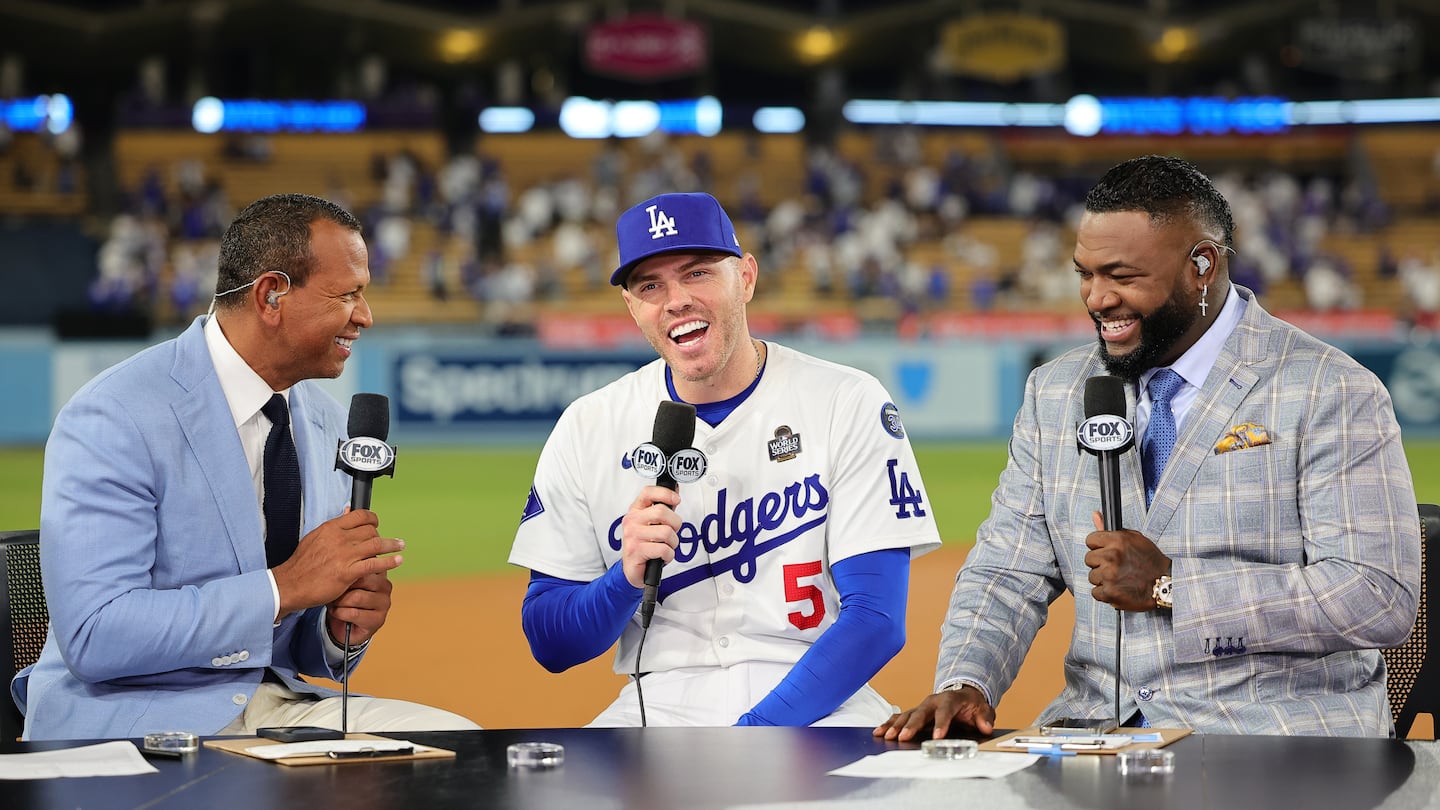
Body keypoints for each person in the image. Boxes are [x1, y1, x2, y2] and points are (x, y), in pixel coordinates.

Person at [876, 155, 1420, 741]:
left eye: (1123, 276)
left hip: (1276, 738)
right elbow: (1007, 571)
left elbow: (1376, 596)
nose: (1097, 298)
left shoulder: (1328, 388)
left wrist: (1172, 588)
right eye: (1085, 273)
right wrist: (968, 682)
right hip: (1094, 737)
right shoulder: (1056, 392)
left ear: (1202, 266)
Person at [16, 193, 480, 740]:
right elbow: (96, 635)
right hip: (131, 720)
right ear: (271, 294)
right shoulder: (115, 414)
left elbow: (288, 642)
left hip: (275, 710)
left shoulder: (326, 421)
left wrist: (335, 629)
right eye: (349, 294)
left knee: (463, 750)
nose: (366, 316)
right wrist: (283, 587)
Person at [509, 192, 941, 726]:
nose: (676, 300)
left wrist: (753, 739)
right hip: (657, 704)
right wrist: (622, 579)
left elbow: (876, 619)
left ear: (747, 278)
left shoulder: (845, 400)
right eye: (650, 286)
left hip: (817, 703)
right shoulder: (587, 425)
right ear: (632, 308)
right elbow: (551, 643)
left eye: (697, 274)